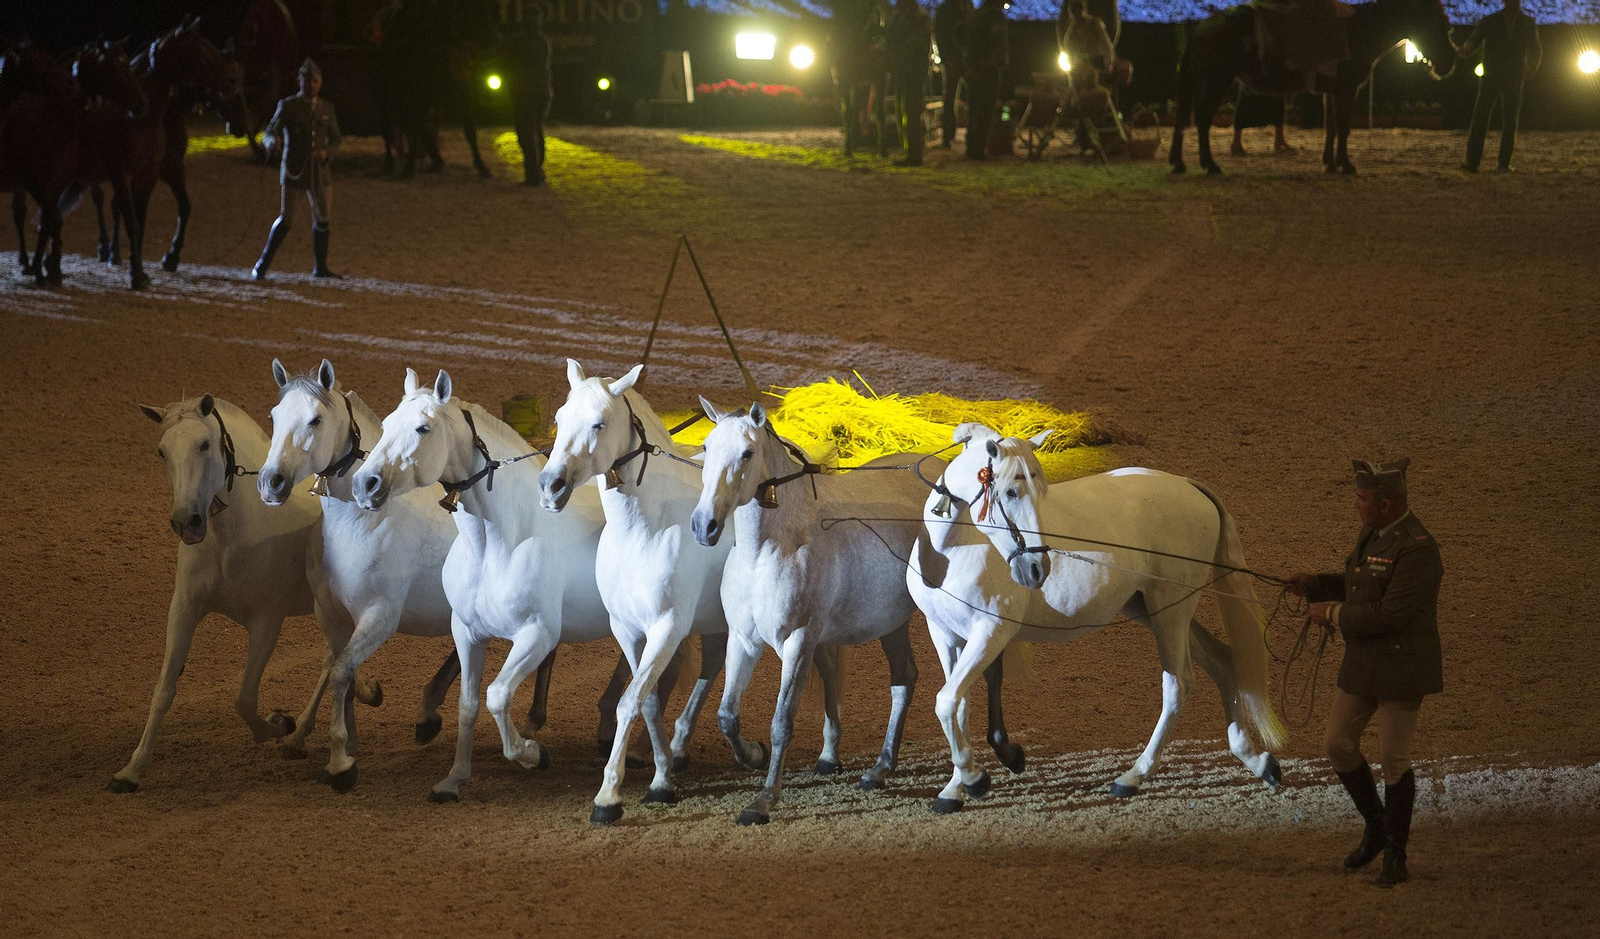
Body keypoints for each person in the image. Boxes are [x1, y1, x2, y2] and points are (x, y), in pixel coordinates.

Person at [1286, 458, 1443, 888]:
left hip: (1401, 665)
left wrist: (1332, 613)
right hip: (1366, 661)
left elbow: (1391, 612)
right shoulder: (1376, 534)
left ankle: (1397, 853)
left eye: (1362, 498)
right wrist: (1317, 582)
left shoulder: (1418, 548)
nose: (1356, 504)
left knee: (1394, 758)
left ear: (1386, 505)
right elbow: (1362, 584)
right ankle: (1376, 825)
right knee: (1337, 742)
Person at [253, 58, 342, 280]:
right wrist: (271, 142)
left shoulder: (326, 108)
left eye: (315, 81)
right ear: (298, 81)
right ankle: (262, 264)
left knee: (323, 218)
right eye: (306, 80)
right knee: (287, 219)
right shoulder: (288, 106)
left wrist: (326, 153)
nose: (310, 85)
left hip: (320, 173)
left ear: (320, 82)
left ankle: (320, 267)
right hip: (295, 170)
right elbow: (269, 131)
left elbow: (336, 138)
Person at [1458, 0, 1541, 173]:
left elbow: (1536, 49)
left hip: (1509, 76)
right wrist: (1467, 49)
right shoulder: (1493, 20)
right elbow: (1475, 39)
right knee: (1484, 117)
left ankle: (1500, 163)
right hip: (1494, 75)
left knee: (1507, 119)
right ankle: (1476, 162)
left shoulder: (1523, 22)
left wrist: (1531, 67)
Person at [507, 5, 553, 185]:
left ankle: (532, 174)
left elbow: (502, 52)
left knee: (526, 133)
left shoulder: (519, 41)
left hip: (525, 91)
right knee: (536, 130)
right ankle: (537, 170)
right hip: (542, 91)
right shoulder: (543, 41)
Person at [886, 0, 933, 166]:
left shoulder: (919, 17)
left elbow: (914, 43)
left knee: (911, 112)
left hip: (913, 70)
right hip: (904, 69)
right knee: (902, 111)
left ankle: (913, 154)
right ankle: (908, 150)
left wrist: (894, 54)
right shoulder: (903, 16)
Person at [962, 0, 1008, 160]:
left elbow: (958, 33)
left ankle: (970, 146)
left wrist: (969, 59)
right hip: (988, 69)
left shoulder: (974, 15)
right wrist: (991, 59)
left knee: (974, 107)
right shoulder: (995, 16)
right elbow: (998, 41)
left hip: (973, 68)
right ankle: (979, 148)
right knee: (985, 109)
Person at [933, 0, 970, 149]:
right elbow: (940, 35)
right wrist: (947, 60)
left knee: (970, 96)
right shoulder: (946, 9)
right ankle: (948, 136)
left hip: (966, 59)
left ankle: (971, 136)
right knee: (949, 98)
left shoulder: (967, 6)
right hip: (953, 59)